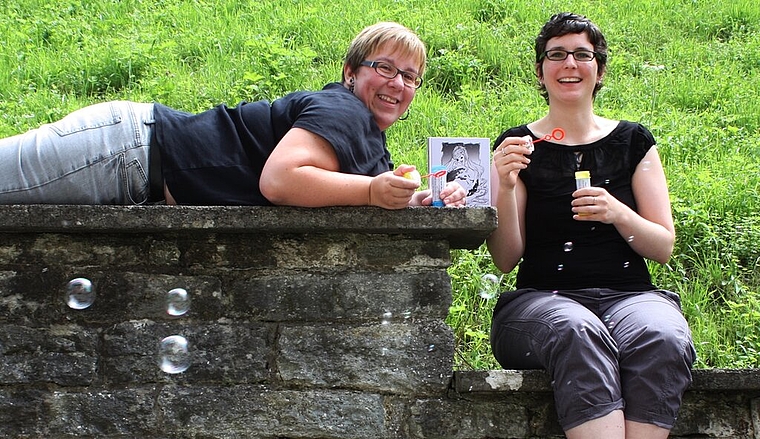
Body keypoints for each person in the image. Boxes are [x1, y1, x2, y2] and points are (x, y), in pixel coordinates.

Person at [487, 12, 696, 439]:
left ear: (599, 70)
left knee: (663, 334)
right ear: (541, 71)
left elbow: (662, 246)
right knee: (576, 329)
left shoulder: (634, 141)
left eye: (582, 54)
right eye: (556, 54)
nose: (569, 64)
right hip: (542, 301)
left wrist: (618, 212)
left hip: (630, 297)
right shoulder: (518, 146)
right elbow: (507, 258)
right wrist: (504, 186)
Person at [0, 21, 466, 208]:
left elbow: (355, 192)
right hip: (124, 151)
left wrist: (416, 199)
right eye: (383, 67)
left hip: (135, 165)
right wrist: (371, 191)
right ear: (349, 73)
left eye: (410, 76)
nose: (397, 84)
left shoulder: (369, 142)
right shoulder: (342, 108)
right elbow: (281, 180)